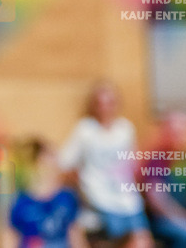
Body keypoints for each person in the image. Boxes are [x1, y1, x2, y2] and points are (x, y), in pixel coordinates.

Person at [59, 81, 153, 248]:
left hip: (128, 199)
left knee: (143, 240)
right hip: (101, 200)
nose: (104, 108)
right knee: (121, 241)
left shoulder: (125, 129)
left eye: (109, 103)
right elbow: (64, 162)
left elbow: (133, 162)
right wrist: (79, 182)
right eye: (100, 103)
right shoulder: (85, 130)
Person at [142, 110, 186, 248]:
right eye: (174, 132)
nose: (179, 136)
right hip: (163, 221)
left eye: (183, 131)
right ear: (166, 132)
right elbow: (158, 202)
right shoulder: (156, 161)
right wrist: (185, 222)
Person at [6, 138, 88, 248]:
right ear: (38, 161)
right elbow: (10, 237)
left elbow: (75, 235)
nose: (57, 157)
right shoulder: (20, 202)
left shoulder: (67, 197)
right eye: (51, 154)